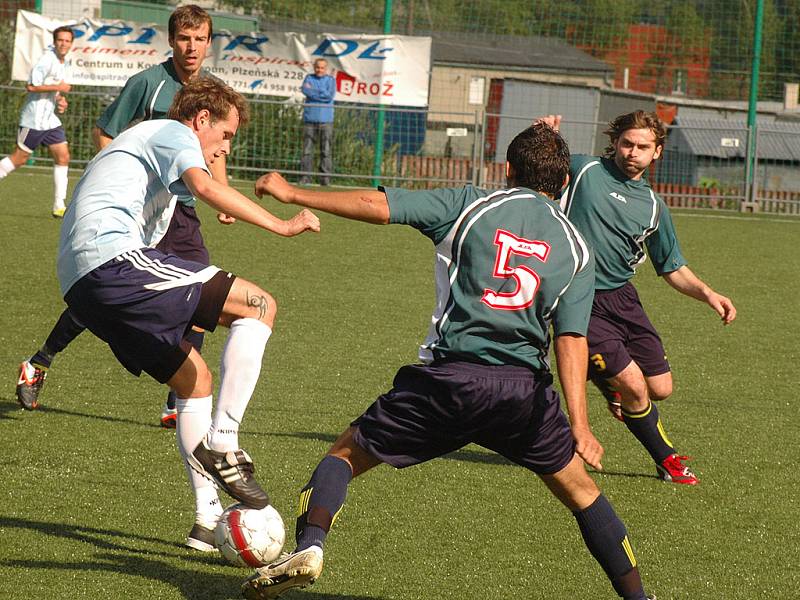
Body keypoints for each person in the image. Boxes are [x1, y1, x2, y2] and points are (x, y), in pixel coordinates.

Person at [241, 123, 654, 600]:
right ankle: (639, 599)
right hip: (522, 395)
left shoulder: (469, 204)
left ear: (508, 171)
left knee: (343, 456)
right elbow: (572, 341)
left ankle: (311, 546)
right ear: (564, 184)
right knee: (584, 496)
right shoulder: (579, 249)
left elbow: (380, 206)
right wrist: (580, 425)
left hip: (448, 381)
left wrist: (293, 193)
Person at [56, 78, 320, 552]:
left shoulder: (153, 165)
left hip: (81, 283)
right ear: (201, 120)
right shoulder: (173, 132)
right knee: (260, 304)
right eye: (226, 135)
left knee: (192, 378)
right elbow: (203, 183)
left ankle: (205, 517)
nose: (224, 148)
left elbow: (192, 192)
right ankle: (224, 441)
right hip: (110, 259)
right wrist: (282, 224)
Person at [16, 4, 225, 433]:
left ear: (208, 42)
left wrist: (222, 197)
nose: (191, 46)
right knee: (102, 296)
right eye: (184, 38)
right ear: (172, 40)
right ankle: (39, 362)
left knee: (205, 297)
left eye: (199, 38)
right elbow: (106, 130)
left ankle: (177, 399)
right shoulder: (148, 83)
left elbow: (218, 145)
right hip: (139, 213)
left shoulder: (213, 91)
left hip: (181, 215)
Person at [547, 111, 736, 485]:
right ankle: (667, 461)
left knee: (660, 388)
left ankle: (602, 378)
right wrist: (547, 138)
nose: (633, 152)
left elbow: (672, 267)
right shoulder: (584, 170)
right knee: (634, 386)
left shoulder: (653, 206)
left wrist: (709, 294)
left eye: (642, 146)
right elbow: (539, 171)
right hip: (578, 296)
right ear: (616, 143)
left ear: (657, 152)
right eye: (627, 143)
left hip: (623, 299)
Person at [0, 25, 74, 217]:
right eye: (60, 40)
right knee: (19, 159)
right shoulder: (46, 60)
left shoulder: (64, 62)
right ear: (54, 41)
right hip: (33, 120)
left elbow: (56, 92)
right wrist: (58, 87)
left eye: (67, 41)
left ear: (71, 43)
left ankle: (59, 205)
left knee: (63, 156)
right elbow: (31, 87)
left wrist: (60, 100)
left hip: (50, 121)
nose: (63, 44)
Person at [299, 58, 335, 185]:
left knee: (326, 151)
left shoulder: (331, 80)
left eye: (322, 68)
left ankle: (325, 180)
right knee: (307, 151)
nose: (319, 70)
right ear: (314, 67)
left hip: (326, 121)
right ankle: (305, 178)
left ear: (326, 69)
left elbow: (329, 96)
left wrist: (313, 91)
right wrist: (320, 92)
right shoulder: (309, 78)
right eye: (317, 67)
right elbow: (305, 90)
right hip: (310, 120)